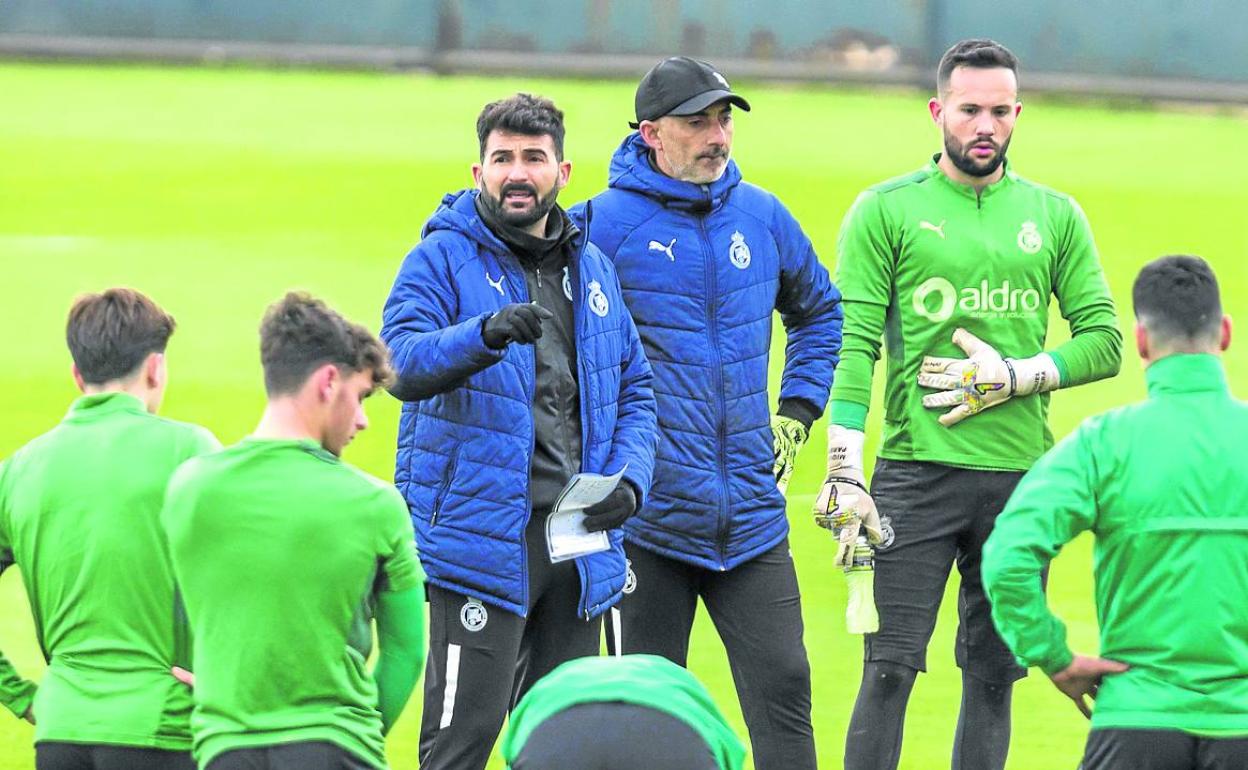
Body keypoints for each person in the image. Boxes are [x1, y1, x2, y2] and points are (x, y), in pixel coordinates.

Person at [819, 39, 1123, 770]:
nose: (983, 125)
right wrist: (842, 466)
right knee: (888, 670)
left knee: (994, 680)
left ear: (1018, 114)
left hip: (1020, 482)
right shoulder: (885, 210)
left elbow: (1105, 340)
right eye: (968, 110)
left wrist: (1018, 376)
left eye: (998, 111)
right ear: (937, 112)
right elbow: (854, 344)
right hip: (915, 474)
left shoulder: (1053, 216)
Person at [574, 57, 842, 770]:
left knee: (787, 686)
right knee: (646, 720)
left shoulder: (762, 215)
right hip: (646, 524)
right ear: (651, 133)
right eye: (698, 122)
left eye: (723, 119)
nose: (717, 135)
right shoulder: (600, 226)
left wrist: (797, 407)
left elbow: (819, 311)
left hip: (751, 518)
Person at [380, 93, 657, 770]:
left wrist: (631, 481)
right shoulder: (441, 259)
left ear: (563, 172)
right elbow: (397, 363)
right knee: (460, 742)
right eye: (501, 158)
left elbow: (635, 390)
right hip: (479, 540)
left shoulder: (591, 270)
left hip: (574, 540)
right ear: (478, 173)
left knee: (558, 745)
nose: (516, 173)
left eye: (532, 158)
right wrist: (482, 334)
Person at [982, 255, 1248, 770]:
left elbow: (1008, 556)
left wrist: (1053, 656)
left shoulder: (1102, 444)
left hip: (1136, 720)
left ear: (1142, 343)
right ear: (1226, 334)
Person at [162, 292, 425, 770]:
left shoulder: (190, 490)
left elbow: (181, 620)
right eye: (361, 396)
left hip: (225, 748)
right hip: (337, 750)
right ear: (328, 381)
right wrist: (360, 735)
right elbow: (407, 652)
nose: (363, 420)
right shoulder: (376, 504)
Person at [0, 288, 219, 770]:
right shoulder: (190, 450)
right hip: (163, 730)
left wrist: (19, 696)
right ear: (156, 368)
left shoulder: (18, 470)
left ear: (77, 375)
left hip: (60, 733)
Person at [501, 654, 746, 770]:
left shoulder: (549, 691)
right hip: (675, 740)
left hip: (553, 742)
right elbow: (731, 752)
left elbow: (513, 748)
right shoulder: (684, 693)